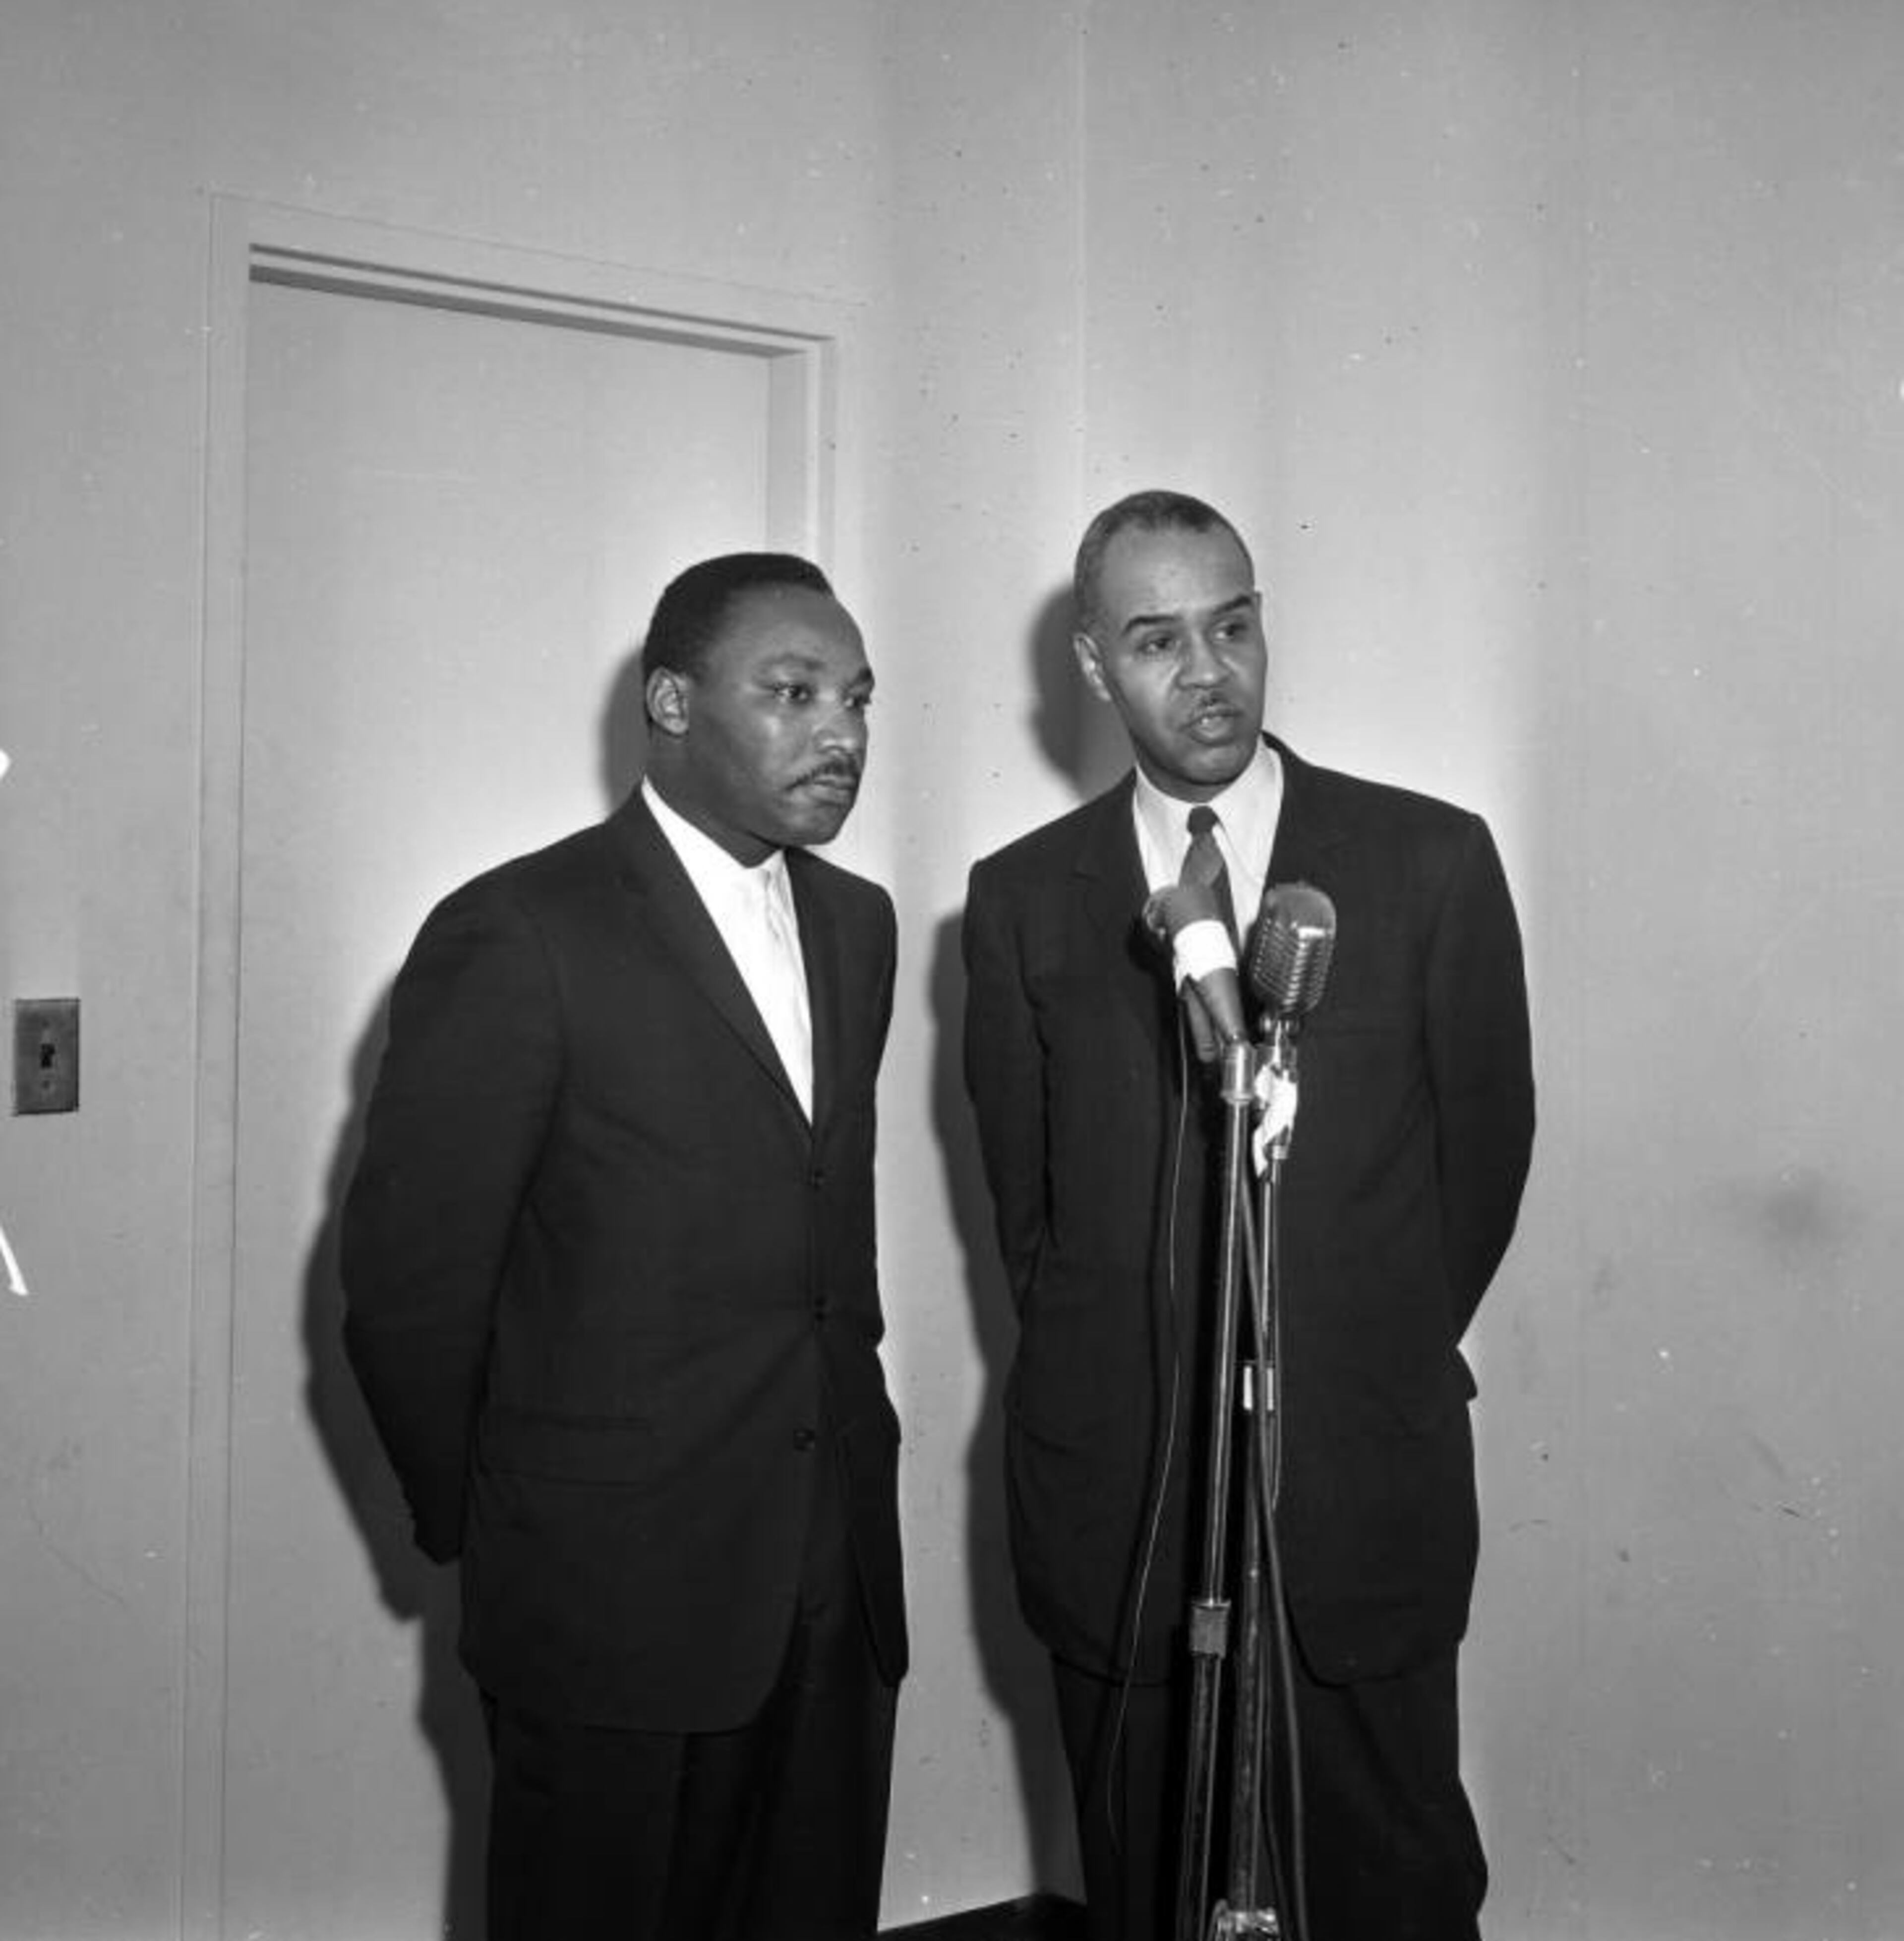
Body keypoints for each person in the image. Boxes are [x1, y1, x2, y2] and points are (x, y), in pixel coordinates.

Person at [961, 490, 1534, 1941]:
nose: (1207, 672)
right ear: (1094, 666)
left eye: (1233, 626)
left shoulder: (1431, 860)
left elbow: (1485, 1162)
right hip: (1124, 1509)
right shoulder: (1021, 902)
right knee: (1151, 1894)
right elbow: (1033, 1221)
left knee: (1392, 1890)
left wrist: (1342, 1351)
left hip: (1357, 1493)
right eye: (1158, 640)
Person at [341, 552, 907, 1941]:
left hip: (831, 1589)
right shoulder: (518, 930)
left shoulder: (859, 926)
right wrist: (505, 1533)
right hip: (605, 1603)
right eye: (792, 693)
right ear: (671, 703)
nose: (840, 733)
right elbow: (409, 1295)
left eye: (855, 698)